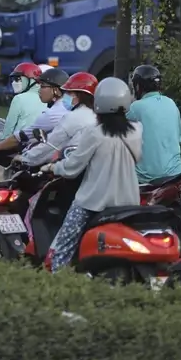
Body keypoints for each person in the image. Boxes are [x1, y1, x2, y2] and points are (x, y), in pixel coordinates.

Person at [40, 77, 142, 272]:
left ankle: (56, 278)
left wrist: (54, 168)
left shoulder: (94, 132)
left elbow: (73, 167)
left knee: (64, 244)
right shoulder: (137, 131)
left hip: (93, 202)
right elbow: (137, 158)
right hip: (129, 202)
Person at [126, 65, 181, 183]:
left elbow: (120, 134)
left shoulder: (136, 108)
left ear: (137, 86)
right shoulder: (171, 103)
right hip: (177, 173)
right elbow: (180, 137)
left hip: (146, 177)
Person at [19, 72, 98, 166]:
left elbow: (51, 143)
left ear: (78, 95)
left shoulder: (74, 117)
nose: (65, 96)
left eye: (68, 92)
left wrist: (25, 158)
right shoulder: (95, 116)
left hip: (70, 167)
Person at [0, 68, 70, 154]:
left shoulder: (54, 113)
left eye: (42, 86)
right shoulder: (68, 106)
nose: (39, 90)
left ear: (56, 90)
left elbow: (20, 136)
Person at [0, 62, 46, 141]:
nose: (14, 83)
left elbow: (9, 128)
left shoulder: (18, 99)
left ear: (31, 80)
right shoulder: (46, 98)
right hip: (40, 142)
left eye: (18, 79)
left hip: (20, 144)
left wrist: (1, 144)